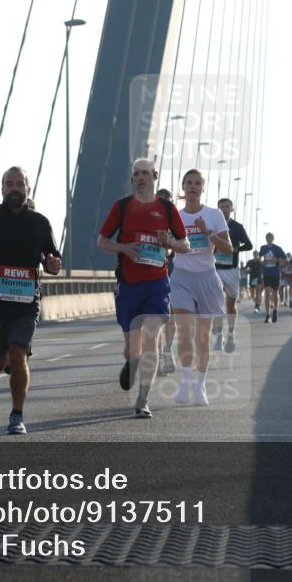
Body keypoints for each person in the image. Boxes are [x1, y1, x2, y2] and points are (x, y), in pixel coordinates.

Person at [0, 166, 62, 435]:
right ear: (2, 188)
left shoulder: (40, 222)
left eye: (20, 184)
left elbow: (53, 257)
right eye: (10, 183)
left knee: (18, 353)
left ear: (28, 189)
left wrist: (53, 264)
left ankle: (17, 415)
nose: (14, 188)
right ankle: (13, 365)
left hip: (26, 302)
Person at [97, 160, 189, 419]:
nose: (140, 178)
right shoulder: (122, 207)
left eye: (145, 173)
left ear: (155, 176)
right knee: (132, 347)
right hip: (128, 285)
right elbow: (101, 241)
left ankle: (143, 399)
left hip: (157, 284)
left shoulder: (167, 208)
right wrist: (125, 248)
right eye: (136, 174)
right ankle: (130, 361)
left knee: (152, 338)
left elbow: (185, 245)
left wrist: (170, 241)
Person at [170, 169, 232, 405]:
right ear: (183, 187)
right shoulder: (175, 215)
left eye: (198, 183)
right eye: (189, 183)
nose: (193, 187)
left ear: (202, 188)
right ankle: (186, 380)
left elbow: (228, 248)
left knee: (202, 339)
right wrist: (170, 242)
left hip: (207, 277)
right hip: (182, 277)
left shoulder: (214, 215)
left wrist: (208, 233)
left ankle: (200, 385)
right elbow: (169, 245)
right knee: (185, 331)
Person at [211, 197, 252, 353]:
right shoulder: (212, 226)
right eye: (221, 206)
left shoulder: (237, 227)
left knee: (230, 305)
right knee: (217, 304)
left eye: (226, 206)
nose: (224, 209)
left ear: (231, 209)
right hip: (216, 269)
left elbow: (249, 245)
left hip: (232, 270)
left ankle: (230, 333)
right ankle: (219, 337)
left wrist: (236, 249)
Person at [156, 188, 178, 376]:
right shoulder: (145, 218)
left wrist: (170, 246)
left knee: (169, 318)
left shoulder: (177, 221)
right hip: (150, 275)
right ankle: (158, 356)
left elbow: (185, 245)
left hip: (172, 274)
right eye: (161, 199)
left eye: (168, 200)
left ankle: (167, 351)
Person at [258, 233, 286, 324]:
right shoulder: (263, 248)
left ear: (273, 238)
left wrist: (277, 260)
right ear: (266, 238)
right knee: (267, 292)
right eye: (267, 237)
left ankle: (275, 311)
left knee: (275, 293)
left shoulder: (277, 249)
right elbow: (259, 258)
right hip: (267, 274)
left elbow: (285, 259)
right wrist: (261, 261)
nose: (269, 238)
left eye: (270, 237)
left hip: (276, 273)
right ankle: (267, 314)